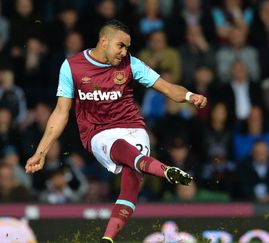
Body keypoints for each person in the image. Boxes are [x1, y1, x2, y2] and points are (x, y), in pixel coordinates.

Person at [24, 20, 207, 243]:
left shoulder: (131, 64)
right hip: (97, 131)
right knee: (121, 150)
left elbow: (168, 88)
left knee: (132, 179)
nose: (124, 52)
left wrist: (190, 97)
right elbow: (61, 112)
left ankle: (107, 239)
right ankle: (164, 170)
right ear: (104, 41)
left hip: (133, 127)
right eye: (120, 46)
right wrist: (41, 152)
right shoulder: (72, 66)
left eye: (127, 47)